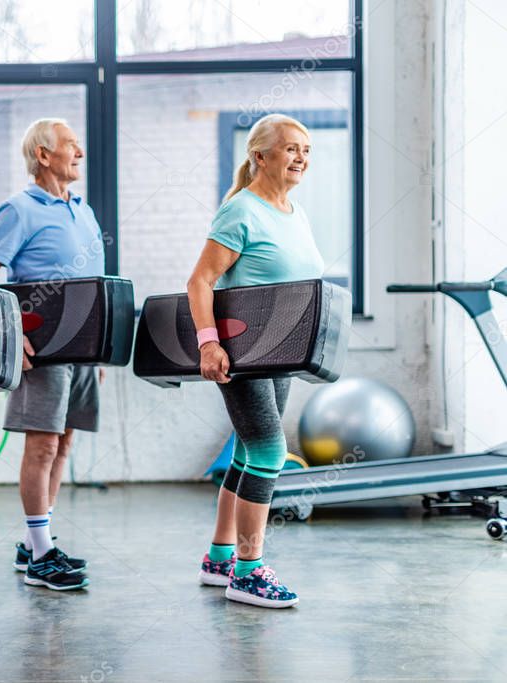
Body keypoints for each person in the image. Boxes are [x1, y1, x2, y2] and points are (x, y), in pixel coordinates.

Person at [188, 113, 323, 608]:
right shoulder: (240, 211)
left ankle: (220, 557)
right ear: (260, 155)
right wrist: (208, 343)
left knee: (248, 453)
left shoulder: (294, 211)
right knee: (268, 451)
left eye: (305, 150)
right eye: (290, 148)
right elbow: (199, 282)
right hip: (241, 351)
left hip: (281, 352)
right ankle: (248, 572)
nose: (301, 158)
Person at [0, 118, 105, 591]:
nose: (80, 153)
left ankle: (35, 542)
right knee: (43, 445)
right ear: (44, 155)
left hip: (84, 351)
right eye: (71, 145)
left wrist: (100, 354)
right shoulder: (18, 209)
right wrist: (9, 336)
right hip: (41, 348)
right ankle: (42, 554)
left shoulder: (83, 210)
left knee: (65, 443)